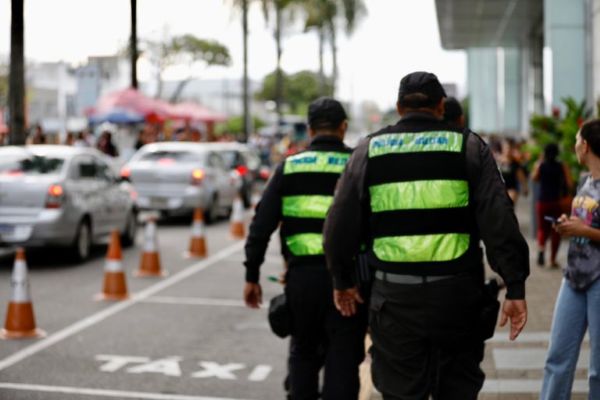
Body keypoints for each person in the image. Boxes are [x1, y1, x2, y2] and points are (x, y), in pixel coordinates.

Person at [323, 71, 530, 399]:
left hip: (394, 302)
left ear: (399, 107)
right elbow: (499, 221)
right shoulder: (469, 146)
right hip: (457, 299)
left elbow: (338, 228)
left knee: (401, 392)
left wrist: (342, 280)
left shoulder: (369, 151)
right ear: (440, 105)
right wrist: (515, 285)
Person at [243, 97, 367, 400]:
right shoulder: (359, 165)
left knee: (303, 354)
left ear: (309, 130)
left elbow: (261, 226)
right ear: (343, 127)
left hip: (302, 279)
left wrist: (252, 275)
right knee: (344, 360)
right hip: (351, 284)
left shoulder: (290, 167)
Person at [540, 119, 600, 399]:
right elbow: (584, 221)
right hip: (574, 276)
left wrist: (585, 230)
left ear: (585, 145)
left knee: (598, 369)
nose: (575, 145)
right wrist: (569, 223)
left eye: (577, 140)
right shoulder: (585, 182)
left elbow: (588, 229)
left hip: (599, 280)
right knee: (557, 358)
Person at [532, 143, 573, 268]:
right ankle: (552, 260)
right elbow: (570, 183)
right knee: (556, 230)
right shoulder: (562, 166)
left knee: (542, 228)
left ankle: (541, 249)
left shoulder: (541, 165)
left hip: (542, 202)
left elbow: (534, 178)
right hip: (557, 202)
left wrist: (539, 162)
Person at [494, 138, 529, 204]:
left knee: (509, 204)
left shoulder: (515, 163)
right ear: (503, 149)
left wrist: (525, 187)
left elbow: (521, 176)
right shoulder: (498, 161)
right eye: (506, 148)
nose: (508, 150)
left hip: (512, 188)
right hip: (499, 189)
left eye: (510, 148)